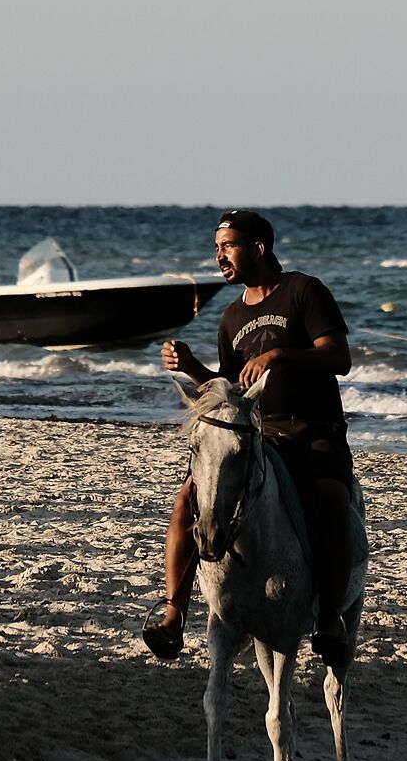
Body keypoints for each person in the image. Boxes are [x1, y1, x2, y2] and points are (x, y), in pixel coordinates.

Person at [143, 211, 359, 671]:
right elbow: (230, 391)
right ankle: (173, 613)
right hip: (259, 436)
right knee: (189, 499)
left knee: (331, 500)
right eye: (216, 246)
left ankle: (330, 621)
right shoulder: (231, 316)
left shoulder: (304, 290)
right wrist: (192, 368)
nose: (218, 255)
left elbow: (339, 357)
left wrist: (279, 353)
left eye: (227, 245)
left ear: (258, 247)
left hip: (315, 432)